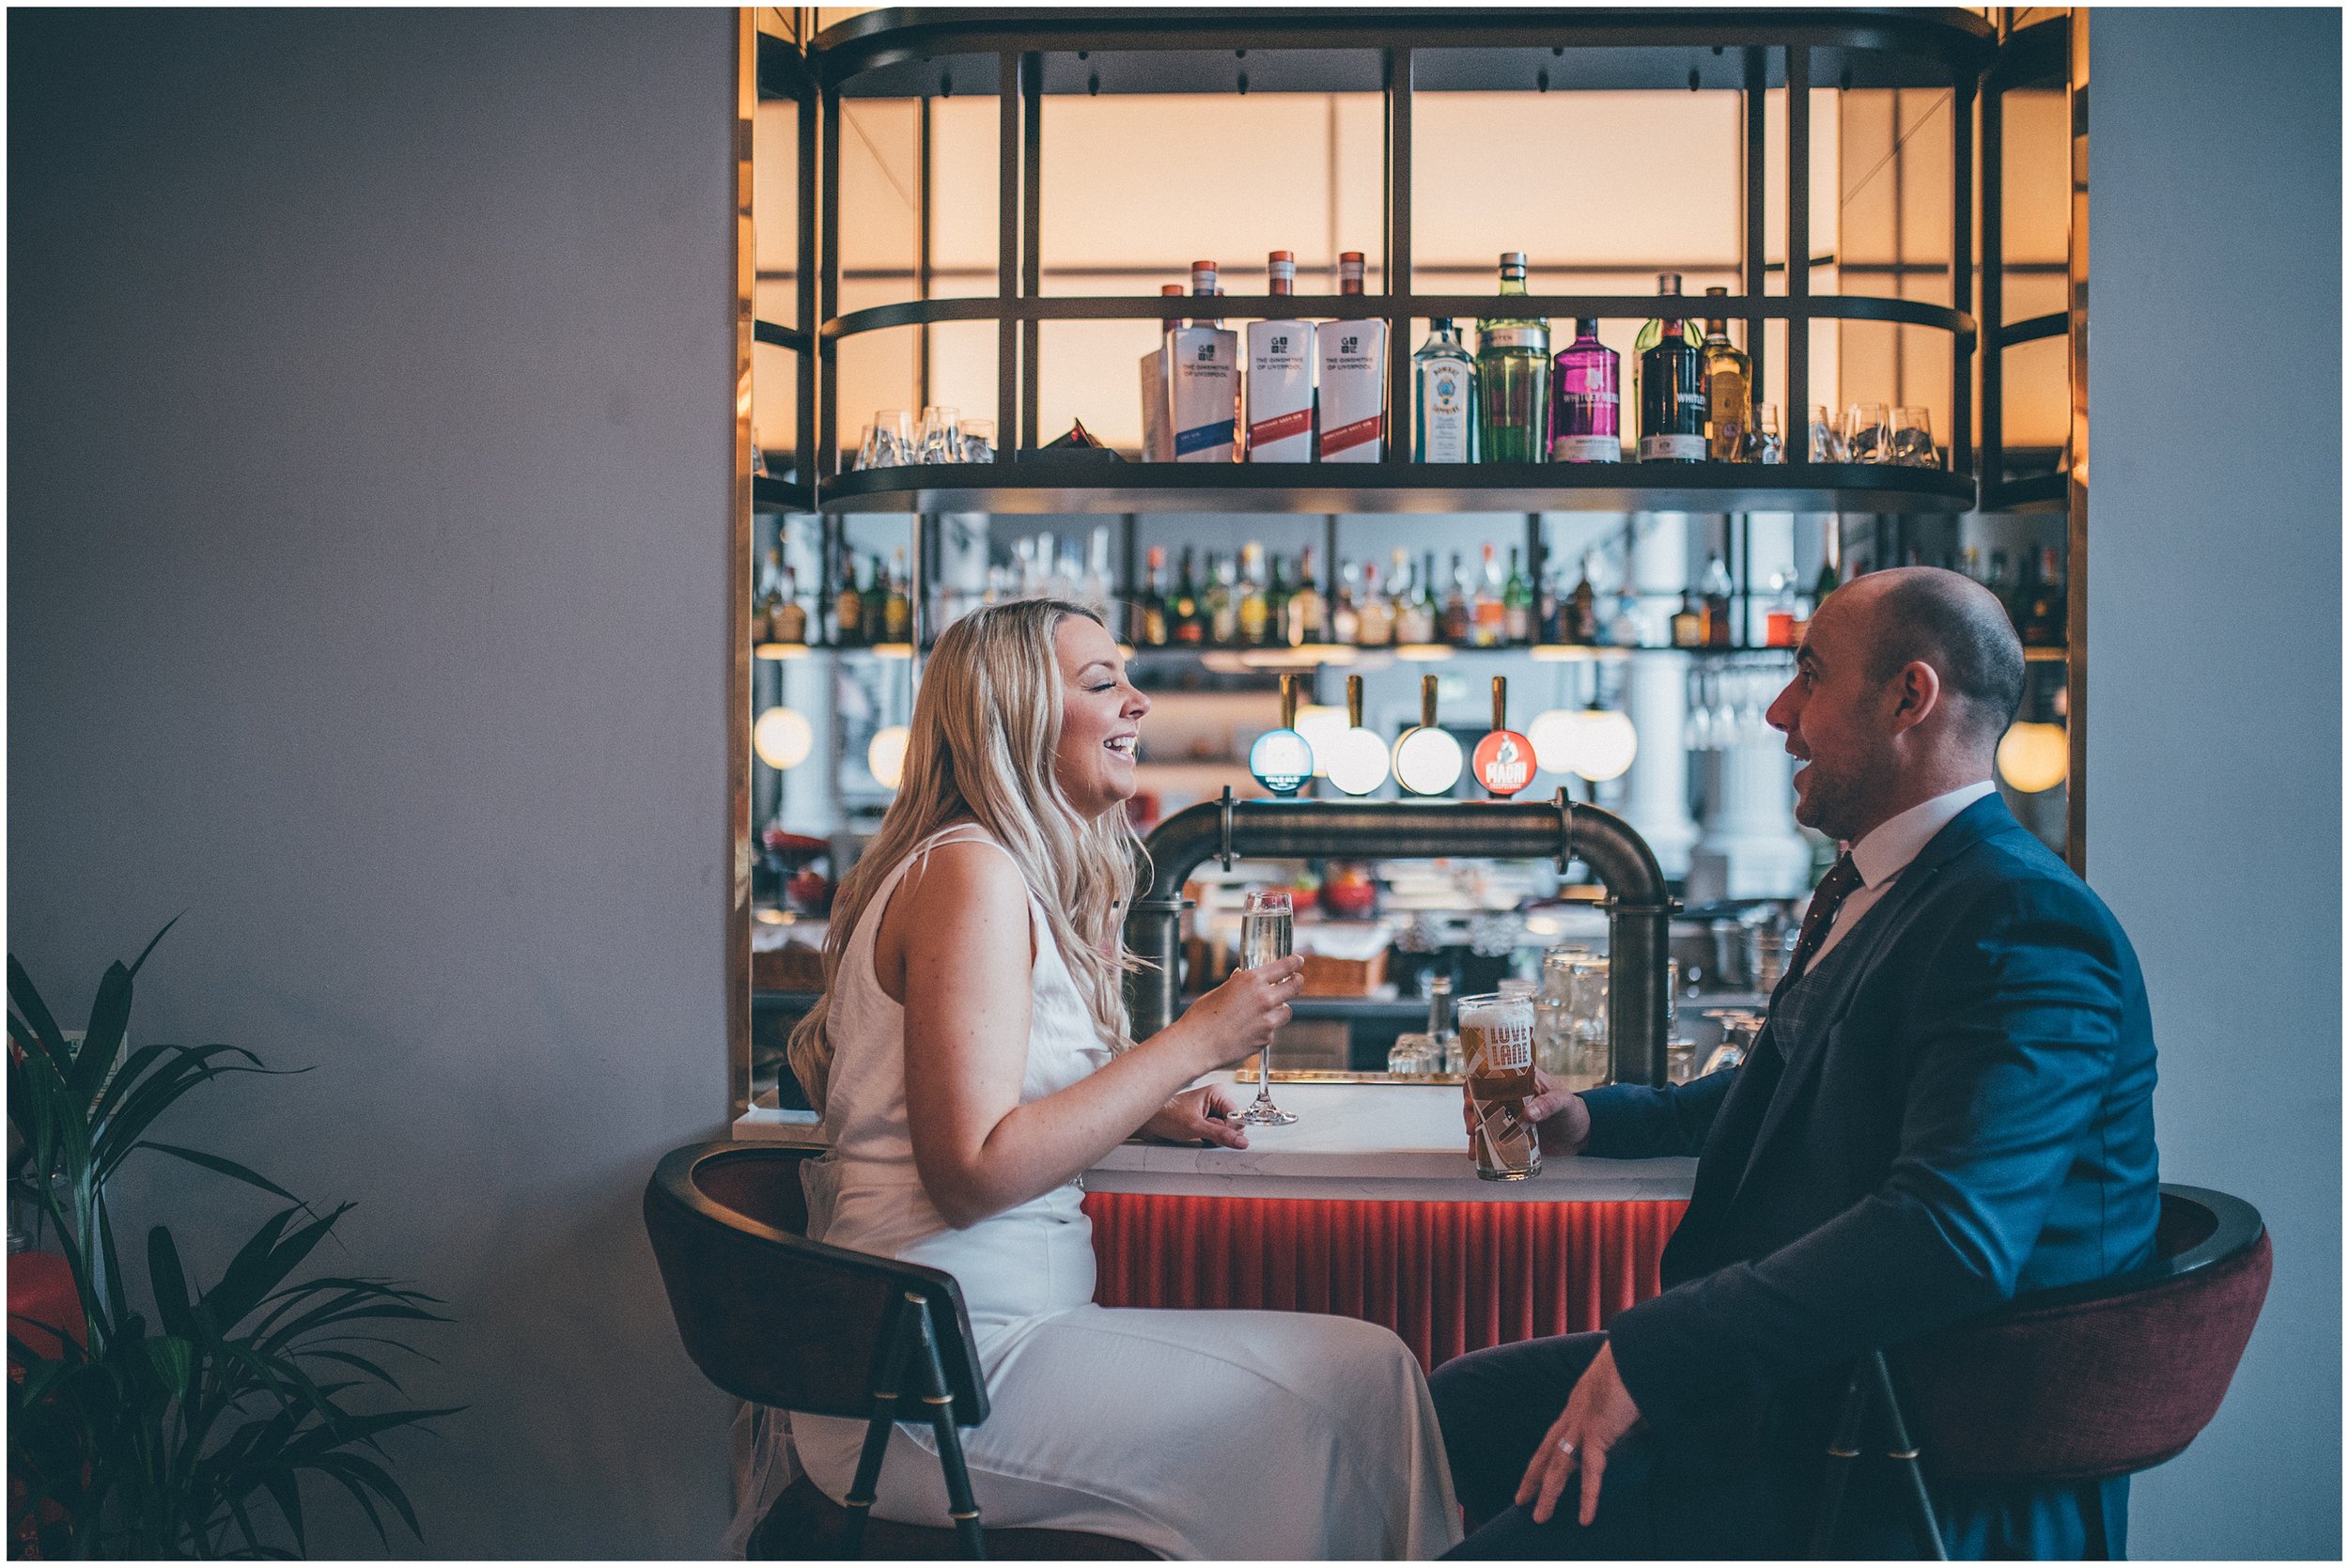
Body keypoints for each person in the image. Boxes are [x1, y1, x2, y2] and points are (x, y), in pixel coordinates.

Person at [1430, 567, 2158, 1560]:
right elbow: (1792, 1083)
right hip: (1804, 1393)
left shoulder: (2019, 920)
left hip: (1895, 1440)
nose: (1779, 712)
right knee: (1455, 1406)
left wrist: (1651, 1358)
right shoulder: (1892, 883)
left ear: (1910, 697)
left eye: (1808, 676)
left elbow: (1949, 1235)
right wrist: (1597, 1119)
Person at [742, 597, 1460, 1560]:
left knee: (1368, 1377)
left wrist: (1143, 1108)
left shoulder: (981, 867)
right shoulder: (972, 873)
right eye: (1100, 683)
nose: (1138, 702)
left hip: (968, 1353)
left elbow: (984, 1105)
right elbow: (970, 1172)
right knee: (1353, 1386)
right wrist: (1192, 1042)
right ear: (1014, 716)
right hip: (937, 1382)